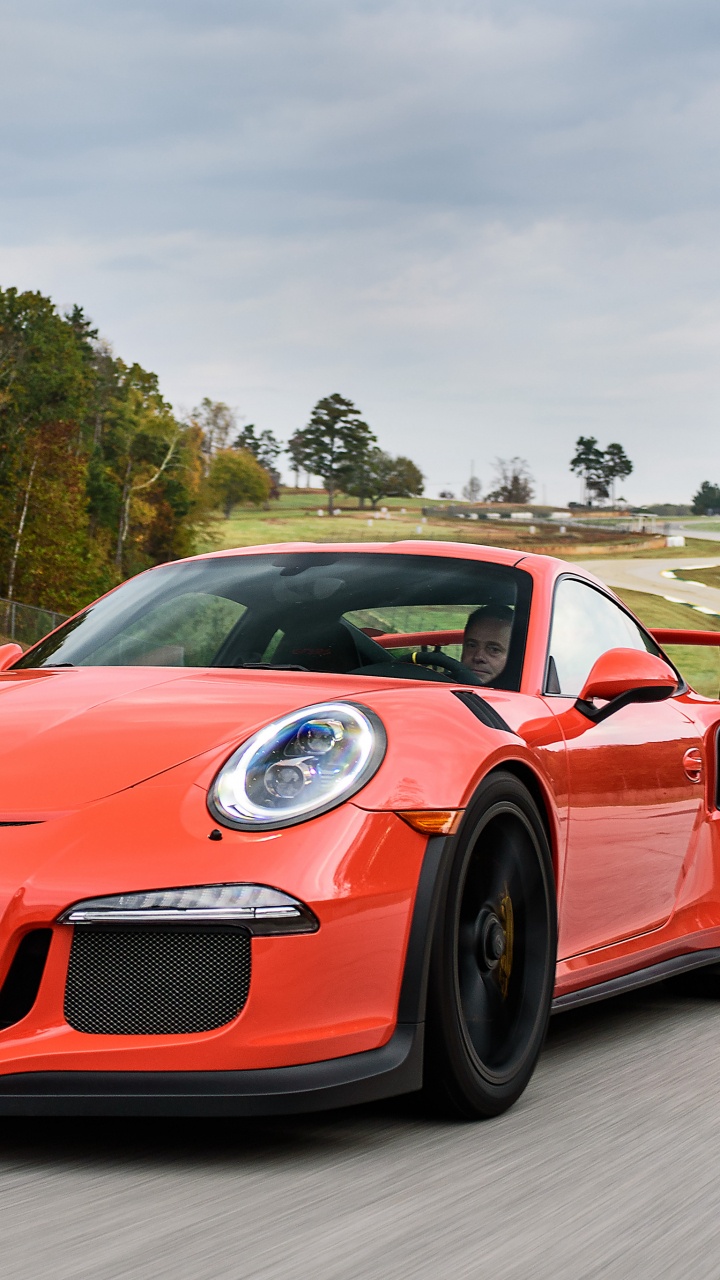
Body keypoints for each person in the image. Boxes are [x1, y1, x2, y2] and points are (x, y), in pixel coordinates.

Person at [461, 605, 513, 685]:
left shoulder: (524, 694)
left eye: (494, 649)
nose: (478, 657)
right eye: (472, 646)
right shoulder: (442, 686)